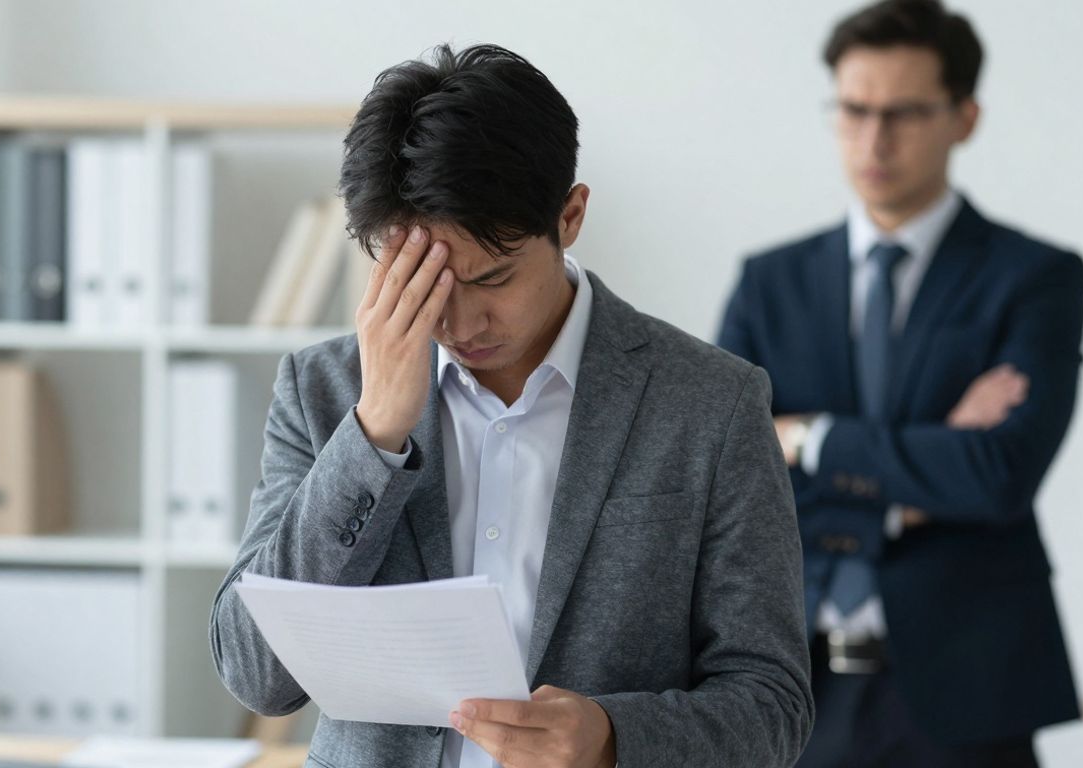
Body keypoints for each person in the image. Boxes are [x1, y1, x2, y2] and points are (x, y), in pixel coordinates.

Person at [211, 43, 812, 768]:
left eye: (491, 279)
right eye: (419, 280)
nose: (459, 325)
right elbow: (257, 676)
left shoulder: (711, 404)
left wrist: (612, 738)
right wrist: (373, 437)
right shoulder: (323, 390)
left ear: (572, 215)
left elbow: (773, 702)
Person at [717, 1, 1083, 765]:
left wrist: (808, 438)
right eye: (853, 110)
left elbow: (998, 476)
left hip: (969, 694)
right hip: (793, 688)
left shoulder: (1034, 278)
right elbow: (729, 489)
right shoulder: (768, 284)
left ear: (965, 117)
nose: (874, 140)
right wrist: (925, 472)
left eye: (905, 113)